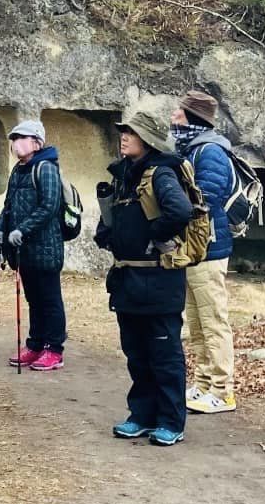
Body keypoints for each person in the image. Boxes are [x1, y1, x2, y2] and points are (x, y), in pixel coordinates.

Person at [95, 108, 195, 447]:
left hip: (158, 280)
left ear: (148, 140)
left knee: (164, 356)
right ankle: (142, 415)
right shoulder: (124, 174)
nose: (124, 137)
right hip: (128, 280)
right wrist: (107, 234)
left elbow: (181, 211)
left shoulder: (160, 175)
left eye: (132, 133)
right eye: (123, 131)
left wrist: (154, 234)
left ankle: (170, 421)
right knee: (136, 352)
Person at [170, 90, 237, 414]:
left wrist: (175, 209)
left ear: (193, 118)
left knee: (213, 321)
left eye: (179, 113)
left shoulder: (209, 152)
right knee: (196, 323)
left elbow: (206, 198)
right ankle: (203, 384)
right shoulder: (191, 149)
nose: (173, 118)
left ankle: (223, 391)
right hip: (195, 247)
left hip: (208, 247)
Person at [0, 119, 67, 371]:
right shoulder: (18, 170)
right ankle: (35, 344)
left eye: (21, 137)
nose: (16, 143)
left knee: (49, 298)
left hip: (45, 247)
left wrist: (21, 230)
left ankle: (54, 349)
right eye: (13, 139)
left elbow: (49, 206)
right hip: (23, 249)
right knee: (33, 298)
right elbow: (9, 206)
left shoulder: (45, 168)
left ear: (36, 141)